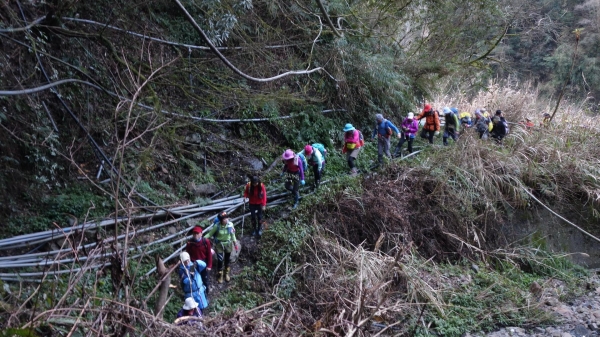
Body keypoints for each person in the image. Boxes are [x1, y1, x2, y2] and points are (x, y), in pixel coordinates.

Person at [203, 211, 238, 283]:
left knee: (227, 259)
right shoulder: (217, 226)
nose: (226, 220)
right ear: (221, 220)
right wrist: (202, 239)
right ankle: (220, 275)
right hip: (219, 245)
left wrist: (235, 244)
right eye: (224, 219)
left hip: (228, 244)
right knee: (220, 260)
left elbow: (232, 235)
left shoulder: (230, 225)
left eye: (227, 218)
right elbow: (210, 234)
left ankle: (226, 273)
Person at [185, 226, 212, 294]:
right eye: (194, 233)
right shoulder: (190, 243)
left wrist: (209, 266)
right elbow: (187, 254)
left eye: (197, 233)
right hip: (193, 263)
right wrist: (188, 265)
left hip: (203, 262)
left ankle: (206, 293)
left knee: (205, 278)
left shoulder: (206, 242)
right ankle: (195, 293)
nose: (195, 235)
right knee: (192, 278)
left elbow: (209, 254)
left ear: (201, 234)